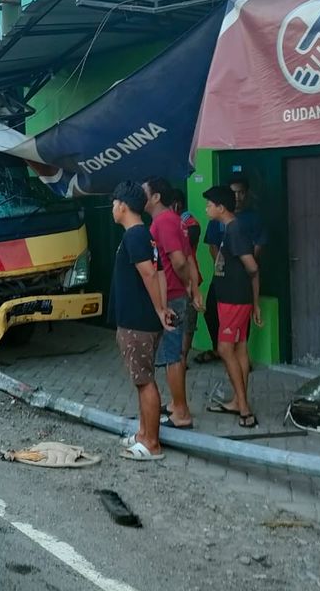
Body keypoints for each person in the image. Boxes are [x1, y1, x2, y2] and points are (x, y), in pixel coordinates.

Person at [109, 181, 174, 461]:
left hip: (137, 322)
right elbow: (159, 272)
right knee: (142, 380)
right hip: (141, 319)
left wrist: (160, 309)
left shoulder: (135, 236)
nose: (112, 209)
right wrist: (162, 308)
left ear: (123, 206)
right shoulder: (143, 236)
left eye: (114, 204)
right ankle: (143, 434)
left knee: (145, 381)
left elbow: (150, 274)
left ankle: (152, 444)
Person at [143, 177, 201, 430]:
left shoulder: (164, 221)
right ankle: (176, 405)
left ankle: (181, 412)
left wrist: (187, 285)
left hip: (172, 297)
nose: (141, 195)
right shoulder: (173, 219)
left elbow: (179, 260)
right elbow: (188, 256)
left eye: (145, 192)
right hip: (178, 294)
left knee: (172, 356)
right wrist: (194, 287)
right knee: (172, 354)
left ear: (156, 197)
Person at [202, 185, 262, 428]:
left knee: (225, 349)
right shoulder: (229, 229)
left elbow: (253, 267)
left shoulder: (235, 230)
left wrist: (254, 302)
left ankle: (244, 408)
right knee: (239, 349)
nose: (206, 208)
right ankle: (238, 401)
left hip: (235, 301)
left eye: (209, 205)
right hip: (232, 299)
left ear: (221, 207)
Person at [195, 173, 265, 364]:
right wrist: (222, 263)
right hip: (223, 279)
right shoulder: (220, 223)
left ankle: (230, 358)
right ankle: (222, 351)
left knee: (232, 343)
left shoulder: (243, 224)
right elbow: (213, 246)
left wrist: (241, 262)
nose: (237, 197)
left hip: (238, 285)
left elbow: (253, 262)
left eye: (241, 193)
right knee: (211, 311)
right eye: (234, 193)